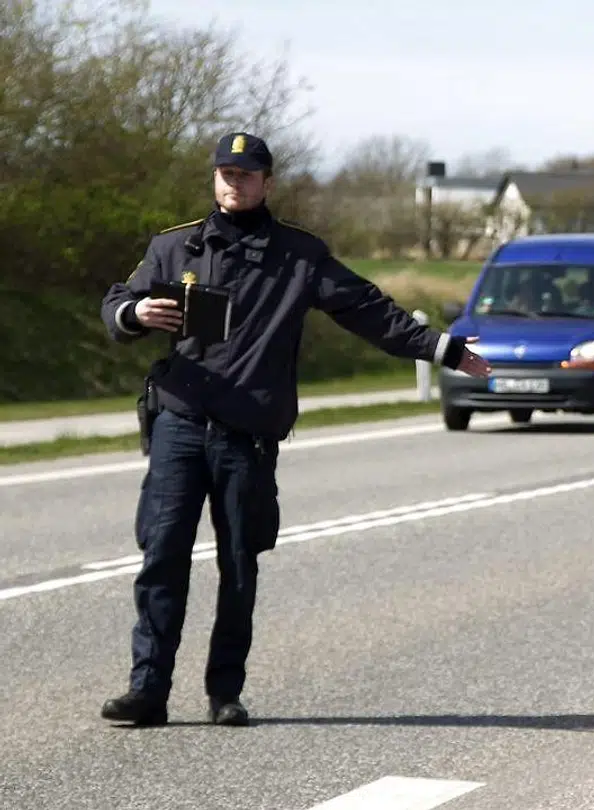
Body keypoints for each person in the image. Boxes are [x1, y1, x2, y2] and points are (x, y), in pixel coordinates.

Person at [97, 132, 491, 728]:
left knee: (238, 562)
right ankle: (147, 689)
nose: (235, 183)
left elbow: (369, 309)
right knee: (162, 556)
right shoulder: (174, 247)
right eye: (226, 174)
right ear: (214, 180)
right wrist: (134, 313)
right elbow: (118, 303)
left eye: (247, 175)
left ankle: (224, 692)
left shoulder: (299, 256)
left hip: (246, 434)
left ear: (267, 183)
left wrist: (442, 348)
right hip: (179, 422)